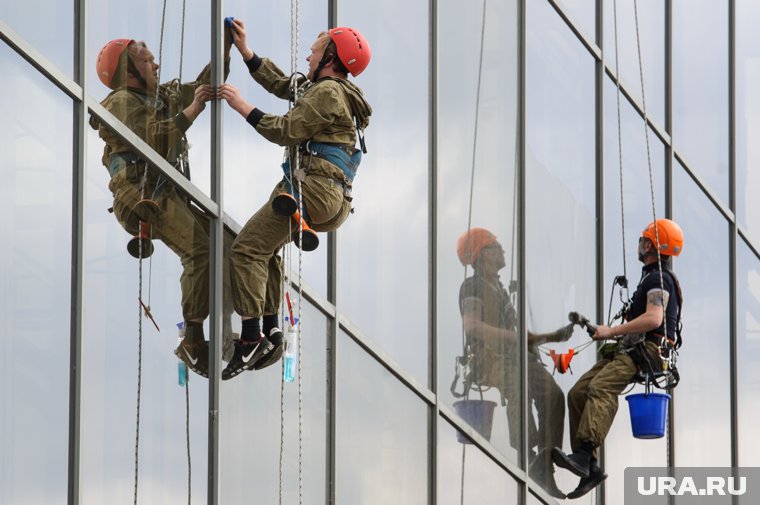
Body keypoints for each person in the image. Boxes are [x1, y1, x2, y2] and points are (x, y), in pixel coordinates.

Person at [218, 19, 372, 380]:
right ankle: (271, 330)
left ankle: (252, 336)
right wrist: (246, 52)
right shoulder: (333, 93)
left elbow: (287, 129)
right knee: (266, 251)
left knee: (246, 250)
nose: (308, 54)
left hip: (312, 189)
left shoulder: (329, 94)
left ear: (330, 58)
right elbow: (285, 84)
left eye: (315, 50)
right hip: (330, 195)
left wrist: (242, 106)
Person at [89, 36, 233, 378]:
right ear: (128, 70)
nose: (156, 65)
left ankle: (237, 328)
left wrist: (225, 49)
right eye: (147, 61)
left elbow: (203, 86)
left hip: (162, 189)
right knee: (200, 249)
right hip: (139, 194)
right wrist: (193, 109)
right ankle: (194, 342)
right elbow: (153, 140)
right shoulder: (121, 102)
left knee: (223, 243)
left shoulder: (161, 97)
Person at [552, 218, 684, 499]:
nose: (639, 243)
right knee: (578, 393)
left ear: (650, 244)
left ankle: (585, 453)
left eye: (642, 239)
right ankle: (590, 465)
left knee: (601, 387)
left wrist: (611, 330)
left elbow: (654, 317)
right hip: (633, 349)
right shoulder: (650, 277)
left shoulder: (658, 278)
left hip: (648, 351)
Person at [456, 228, 573, 499]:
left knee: (553, 396)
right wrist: (513, 338)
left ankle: (545, 463)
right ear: (483, 254)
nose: (502, 250)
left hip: (515, 357)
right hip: (490, 360)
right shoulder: (472, 286)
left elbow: (522, 337)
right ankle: (527, 452)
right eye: (496, 246)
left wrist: (553, 336)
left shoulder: (499, 290)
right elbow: (472, 327)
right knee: (516, 386)